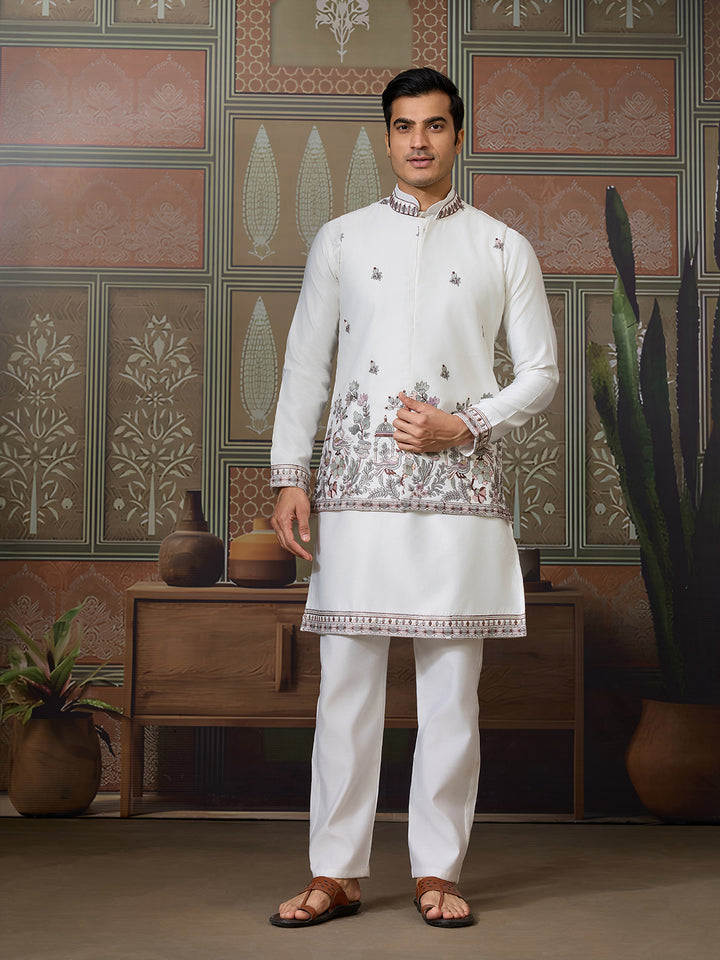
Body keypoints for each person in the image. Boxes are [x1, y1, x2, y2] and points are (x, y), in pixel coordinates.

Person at [268, 67, 558, 928]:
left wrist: (463, 425)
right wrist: (291, 474)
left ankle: (439, 870)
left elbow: (540, 373)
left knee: (450, 691)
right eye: (404, 126)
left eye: (435, 125)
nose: (420, 140)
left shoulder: (503, 245)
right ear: (387, 136)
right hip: (355, 497)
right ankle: (335, 871)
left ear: (458, 136)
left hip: (457, 499)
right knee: (345, 685)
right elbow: (305, 364)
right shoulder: (341, 241)